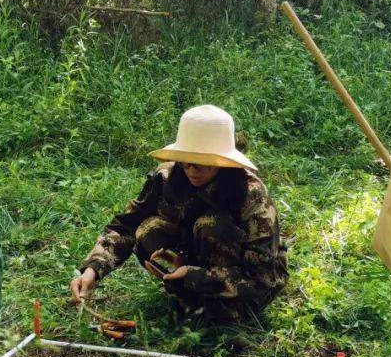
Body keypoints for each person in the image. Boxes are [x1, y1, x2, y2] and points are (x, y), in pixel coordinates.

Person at [70, 105, 287, 326]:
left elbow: (264, 277)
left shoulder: (250, 194)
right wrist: (93, 269)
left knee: (211, 226)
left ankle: (227, 311)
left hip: (245, 284)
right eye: (186, 161)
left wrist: (197, 277)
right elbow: (126, 226)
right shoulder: (166, 178)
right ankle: (190, 299)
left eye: (203, 163)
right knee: (148, 228)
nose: (192, 170)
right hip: (193, 265)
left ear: (223, 162)